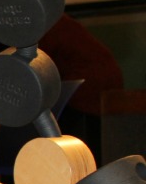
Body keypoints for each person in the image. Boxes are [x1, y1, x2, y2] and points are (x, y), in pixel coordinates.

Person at [36, 12, 123, 165]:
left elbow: (39, 67)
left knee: (78, 147)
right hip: (98, 90)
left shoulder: (45, 25)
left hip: (82, 91)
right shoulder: (56, 22)